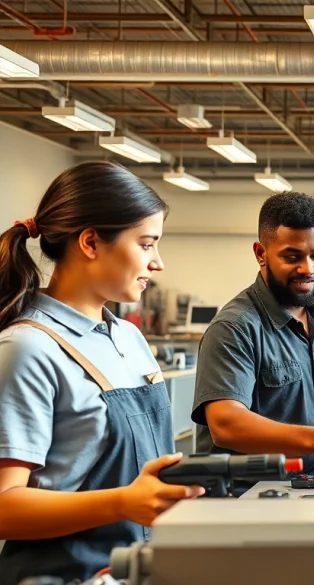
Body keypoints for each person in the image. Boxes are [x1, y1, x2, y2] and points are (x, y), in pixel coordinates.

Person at [0, 162, 205, 585]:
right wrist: (123, 503)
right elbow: (4, 507)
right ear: (91, 242)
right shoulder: (28, 347)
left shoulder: (129, 337)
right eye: (147, 244)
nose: (158, 262)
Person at [191, 192, 314, 475]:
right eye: (292, 256)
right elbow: (226, 424)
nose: (308, 269)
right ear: (261, 253)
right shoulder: (235, 328)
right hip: (250, 500)